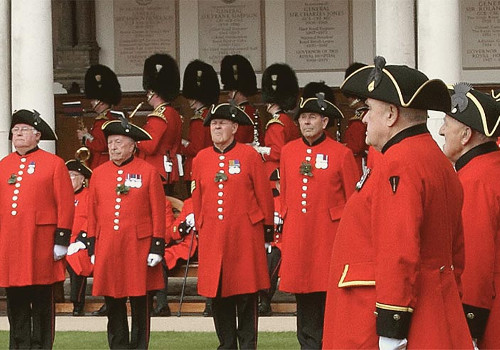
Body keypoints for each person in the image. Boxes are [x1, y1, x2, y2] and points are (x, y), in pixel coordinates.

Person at [322, 57, 473, 349]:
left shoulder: (399, 163)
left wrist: (392, 327)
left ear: (391, 114)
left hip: (387, 317)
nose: (363, 118)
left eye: (368, 110)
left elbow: (398, 251)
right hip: (435, 308)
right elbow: (456, 252)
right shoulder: (436, 160)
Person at [278, 88, 358, 349]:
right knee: (304, 300)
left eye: (312, 117)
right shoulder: (288, 152)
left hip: (328, 239)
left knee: (328, 299)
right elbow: (287, 196)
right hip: (300, 239)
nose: (306, 122)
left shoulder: (341, 154)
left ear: (324, 122)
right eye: (303, 118)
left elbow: (352, 202)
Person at [191, 103, 274, 349]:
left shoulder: (249, 156)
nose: (216, 127)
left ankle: (248, 346)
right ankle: (226, 345)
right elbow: (197, 197)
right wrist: (201, 226)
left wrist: (267, 230)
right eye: (213, 124)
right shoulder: (201, 158)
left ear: (235, 128)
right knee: (218, 295)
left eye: (222, 123)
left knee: (247, 295)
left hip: (244, 236)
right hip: (214, 237)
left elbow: (264, 195)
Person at [84, 117, 166, 349]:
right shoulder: (98, 174)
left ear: (132, 145)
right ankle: (118, 345)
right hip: (109, 246)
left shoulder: (148, 172)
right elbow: (93, 213)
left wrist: (157, 245)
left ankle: (139, 346)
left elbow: (158, 211)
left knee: (141, 303)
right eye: (110, 143)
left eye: (118, 142)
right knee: (113, 301)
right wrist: (92, 245)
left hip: (138, 247)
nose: (113, 147)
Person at [0, 109, 74, 348]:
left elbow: (65, 203)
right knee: (16, 301)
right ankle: (19, 345)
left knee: (42, 300)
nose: (18, 134)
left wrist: (61, 239)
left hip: (41, 242)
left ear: (37, 136)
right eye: (15, 130)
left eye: (24, 130)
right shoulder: (4, 164)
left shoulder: (54, 164)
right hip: (12, 243)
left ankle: (41, 345)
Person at [439, 83, 500, 349]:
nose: (441, 130)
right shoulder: (489, 169)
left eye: (446, 123)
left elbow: (476, 259)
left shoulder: (475, 179)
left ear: (465, 135)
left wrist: (471, 322)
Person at [138, 53, 182, 195]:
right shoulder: (173, 113)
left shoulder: (159, 115)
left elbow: (149, 147)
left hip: (157, 171)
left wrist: (135, 138)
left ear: (155, 93)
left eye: (149, 91)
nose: (147, 95)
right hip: (167, 169)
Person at [181, 59, 220, 196]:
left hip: (196, 168)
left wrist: (181, 144)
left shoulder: (198, 119)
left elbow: (195, 148)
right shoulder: (210, 115)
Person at [255, 63, 301, 179]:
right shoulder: (287, 120)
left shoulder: (276, 123)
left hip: (275, 174)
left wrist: (257, 150)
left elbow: (277, 151)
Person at [78, 64, 122, 169]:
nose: (91, 102)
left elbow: (101, 144)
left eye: (93, 100)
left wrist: (85, 137)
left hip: (101, 162)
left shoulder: (104, 120)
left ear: (100, 101)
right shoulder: (107, 117)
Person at [64, 159, 93, 316]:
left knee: (77, 259)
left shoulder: (89, 196)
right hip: (62, 240)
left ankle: (77, 302)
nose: (68, 179)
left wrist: (81, 240)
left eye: (73, 176)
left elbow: (92, 219)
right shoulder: (61, 196)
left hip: (80, 242)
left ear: (82, 179)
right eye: (66, 176)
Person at [258, 168, 284, 316]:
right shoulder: (271, 202)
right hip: (271, 244)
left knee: (273, 257)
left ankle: (265, 300)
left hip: (285, 245)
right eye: (279, 183)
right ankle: (261, 299)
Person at [220, 54, 260, 144]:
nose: (229, 95)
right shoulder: (250, 110)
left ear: (236, 91)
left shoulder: (241, 113)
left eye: (230, 91)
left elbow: (238, 141)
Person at [342, 62, 369, 177]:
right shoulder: (361, 115)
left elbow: (356, 147)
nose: (348, 99)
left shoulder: (360, 118)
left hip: (360, 165)